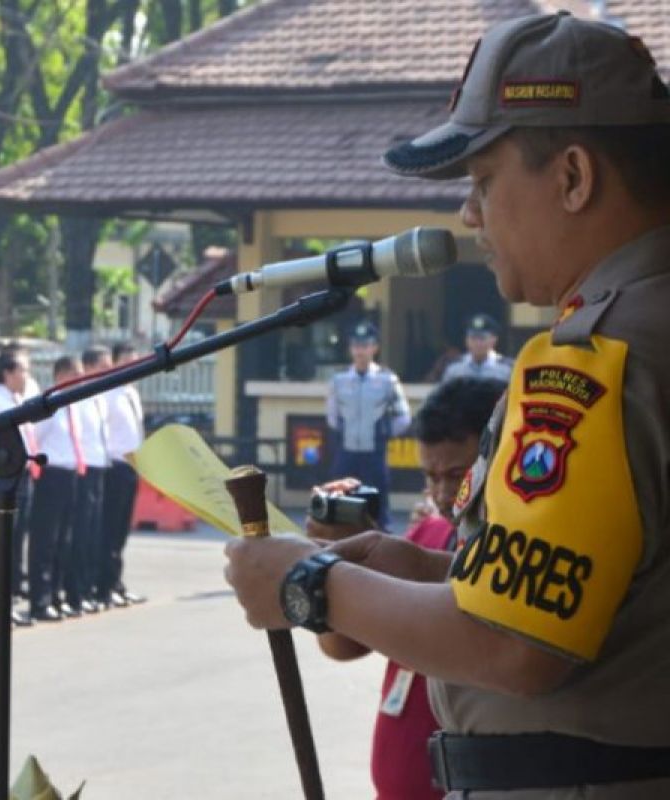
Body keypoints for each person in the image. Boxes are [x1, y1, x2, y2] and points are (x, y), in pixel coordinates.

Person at [225, 13, 670, 797]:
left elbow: (513, 646)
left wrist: (309, 584)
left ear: (573, 176)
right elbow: (602, 591)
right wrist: (429, 569)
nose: (470, 215)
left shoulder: (595, 357)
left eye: (485, 181)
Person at [310, 377, 506, 800]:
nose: (443, 494)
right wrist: (333, 560)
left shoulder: (517, 560)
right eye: (430, 477)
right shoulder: (426, 535)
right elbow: (342, 646)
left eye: (458, 475)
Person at [325, 321, 411, 525]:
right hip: (347, 451)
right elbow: (332, 415)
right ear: (350, 348)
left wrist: (384, 433)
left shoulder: (387, 380)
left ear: (375, 348)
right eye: (356, 345)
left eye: (365, 345)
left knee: (377, 505)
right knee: (340, 500)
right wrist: (345, 431)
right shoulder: (339, 380)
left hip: (374, 452)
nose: (360, 351)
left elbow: (403, 416)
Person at [0, 345, 40, 626]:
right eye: (22, 370)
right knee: (0, 544)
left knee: (16, 543)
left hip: (23, 475)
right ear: (6, 373)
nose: (27, 376)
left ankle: (10, 601)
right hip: (3, 479)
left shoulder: (16, 397)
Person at [27, 356, 86, 623]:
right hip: (51, 476)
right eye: (76, 374)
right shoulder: (49, 405)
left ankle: (56, 595)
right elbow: (34, 440)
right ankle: (40, 600)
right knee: (46, 541)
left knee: (65, 539)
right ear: (61, 376)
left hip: (71, 474)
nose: (81, 378)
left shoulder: (74, 406)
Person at [99, 342, 146, 608]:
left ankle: (117, 583)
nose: (133, 366)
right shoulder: (107, 394)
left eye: (135, 361)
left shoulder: (131, 393)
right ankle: (105, 586)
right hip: (113, 466)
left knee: (122, 531)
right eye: (127, 361)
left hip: (131, 466)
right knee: (110, 530)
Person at [68, 346, 112, 614]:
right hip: (81, 471)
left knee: (94, 534)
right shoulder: (79, 398)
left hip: (100, 469)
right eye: (103, 367)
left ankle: (88, 590)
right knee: (79, 535)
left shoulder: (100, 397)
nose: (109, 372)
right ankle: (75, 592)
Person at [441, 314, 514, 382]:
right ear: (466, 340)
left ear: (494, 340)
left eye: (482, 338)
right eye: (473, 338)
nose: (477, 343)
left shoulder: (507, 369)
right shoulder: (455, 369)